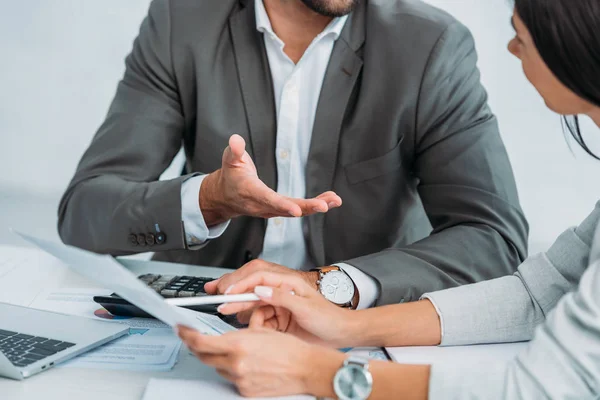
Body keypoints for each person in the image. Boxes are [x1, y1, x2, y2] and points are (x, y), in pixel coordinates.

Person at [177, 0, 600, 398]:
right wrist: (343, 325)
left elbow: (540, 387)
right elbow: (537, 295)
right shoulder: (185, 23)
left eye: (521, 35)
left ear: (575, 38)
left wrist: (314, 372)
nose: (511, 46)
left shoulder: (431, 45)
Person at [58, 0, 528, 311]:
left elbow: (493, 237)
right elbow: (84, 211)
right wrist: (208, 199)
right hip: (207, 315)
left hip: (363, 328)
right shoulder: (181, 22)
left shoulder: (430, 45)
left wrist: (327, 284)